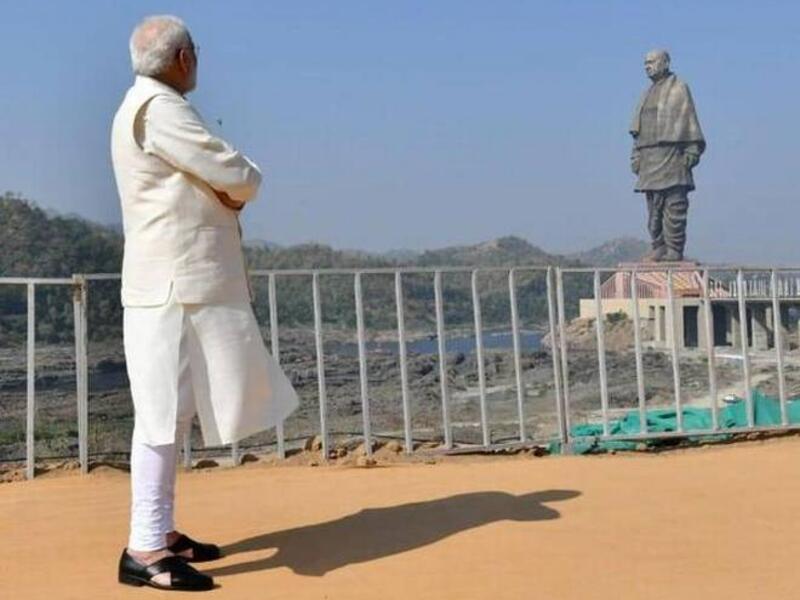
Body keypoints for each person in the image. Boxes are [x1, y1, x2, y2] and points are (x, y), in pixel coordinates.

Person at [111, 15, 299, 591]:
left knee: (174, 413)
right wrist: (242, 182)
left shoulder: (141, 104)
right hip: (172, 290)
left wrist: (227, 187)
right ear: (184, 59)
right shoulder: (162, 108)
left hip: (172, 289)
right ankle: (144, 548)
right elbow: (232, 172)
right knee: (162, 418)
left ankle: (160, 533)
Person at [630, 49, 706, 262]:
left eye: (652, 62)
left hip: (672, 157)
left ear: (665, 63)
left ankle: (674, 249)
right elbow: (638, 132)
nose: (647, 66)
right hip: (649, 159)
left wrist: (692, 149)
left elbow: (689, 120)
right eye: (645, 62)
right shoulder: (646, 94)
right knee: (653, 212)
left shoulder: (678, 88)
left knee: (674, 207)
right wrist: (635, 155)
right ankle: (658, 246)